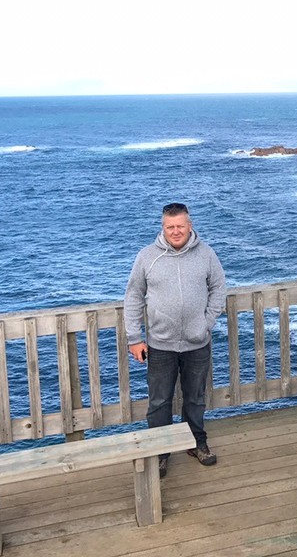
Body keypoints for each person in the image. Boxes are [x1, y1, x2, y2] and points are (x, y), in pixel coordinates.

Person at [124, 202, 226, 475]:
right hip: (159, 344)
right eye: (170, 226)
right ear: (163, 227)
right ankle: (159, 452)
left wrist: (206, 323)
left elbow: (218, 288)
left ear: (190, 225)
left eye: (180, 225)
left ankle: (197, 443)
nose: (175, 231)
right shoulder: (147, 257)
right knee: (159, 402)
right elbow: (133, 297)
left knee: (195, 397)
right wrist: (135, 338)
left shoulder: (206, 254)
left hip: (197, 342)